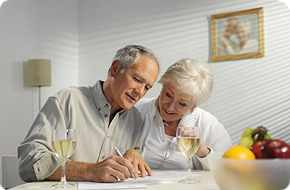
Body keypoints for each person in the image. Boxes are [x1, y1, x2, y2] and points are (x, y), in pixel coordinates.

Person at [18, 45, 160, 183]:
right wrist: (90, 170)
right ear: (115, 69)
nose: (140, 92)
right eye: (137, 80)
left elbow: (133, 168)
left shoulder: (135, 119)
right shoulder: (67, 101)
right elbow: (29, 163)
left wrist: (134, 155)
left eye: (147, 87)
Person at [135, 58, 232, 170]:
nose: (170, 107)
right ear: (163, 87)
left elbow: (228, 171)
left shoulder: (211, 127)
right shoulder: (136, 111)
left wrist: (204, 153)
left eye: (182, 103)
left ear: (194, 106)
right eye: (168, 95)